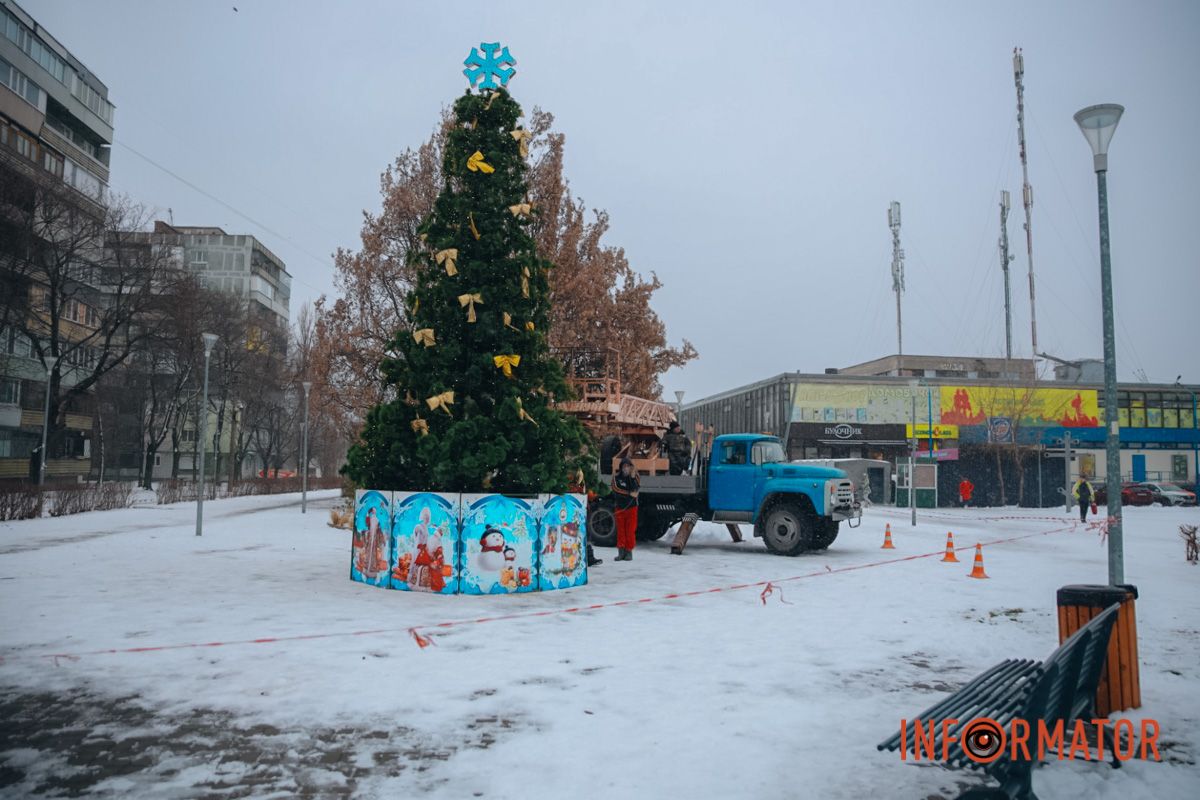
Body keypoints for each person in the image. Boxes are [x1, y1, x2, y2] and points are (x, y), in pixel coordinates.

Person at [611, 457, 640, 561]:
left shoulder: (635, 476)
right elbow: (616, 490)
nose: (626, 468)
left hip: (632, 508)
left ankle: (629, 551)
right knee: (621, 530)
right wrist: (628, 494)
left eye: (628, 466)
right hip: (620, 508)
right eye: (624, 466)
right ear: (621, 467)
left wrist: (632, 478)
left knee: (630, 530)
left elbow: (635, 490)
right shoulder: (616, 477)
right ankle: (621, 552)